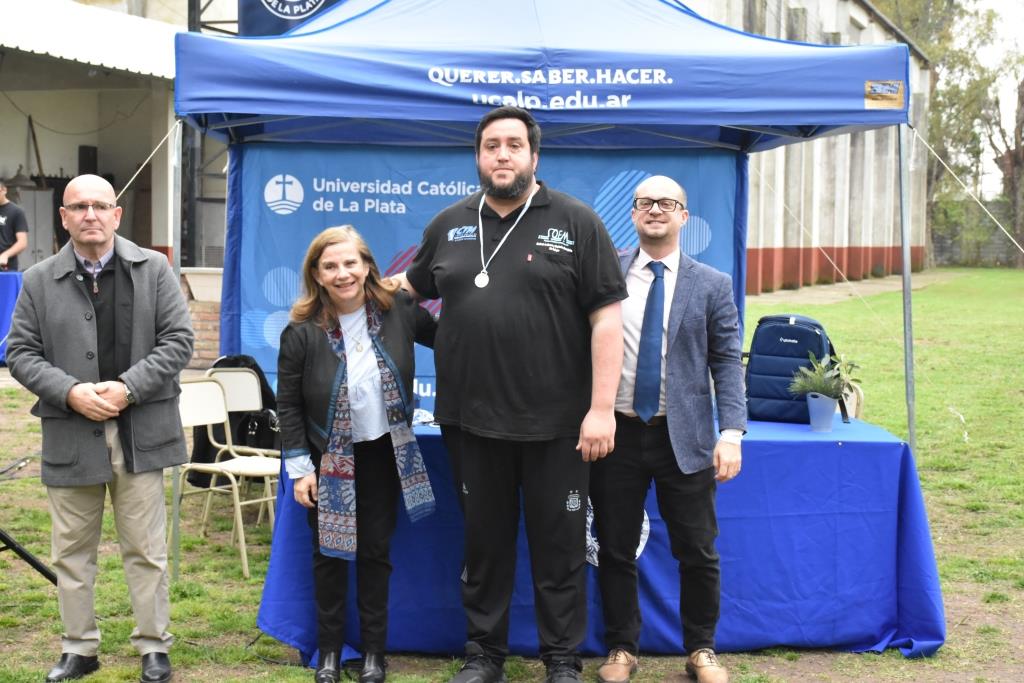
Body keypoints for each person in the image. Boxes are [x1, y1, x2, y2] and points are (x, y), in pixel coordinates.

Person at [399, 106, 627, 683]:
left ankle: (562, 660)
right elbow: (406, 294)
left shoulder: (577, 221)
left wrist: (602, 410)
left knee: (560, 549)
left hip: (559, 425)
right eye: (491, 145)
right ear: (478, 157)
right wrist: (346, 295)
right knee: (484, 546)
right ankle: (484, 656)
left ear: (534, 156)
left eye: (514, 145)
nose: (502, 154)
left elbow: (607, 320)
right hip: (470, 422)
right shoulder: (448, 224)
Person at [6, 174, 194, 683]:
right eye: (79, 206)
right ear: (63, 217)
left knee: (146, 550)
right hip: (71, 431)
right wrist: (69, 392)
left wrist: (128, 389)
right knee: (71, 551)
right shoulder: (38, 279)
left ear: (117, 213)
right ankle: (79, 648)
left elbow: (179, 341)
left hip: (141, 431)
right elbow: (20, 352)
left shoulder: (155, 269)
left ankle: (153, 646)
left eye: (100, 205)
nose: (90, 214)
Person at [590, 176, 746, 683]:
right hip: (617, 433)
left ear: (684, 216)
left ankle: (701, 649)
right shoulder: (606, 276)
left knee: (697, 550)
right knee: (614, 547)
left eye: (666, 203)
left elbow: (726, 361)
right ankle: (621, 648)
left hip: (687, 437)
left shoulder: (712, 284)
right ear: (633, 214)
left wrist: (732, 433)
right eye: (645, 203)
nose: (655, 209)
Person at [277, 226, 438, 683]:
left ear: (367, 266)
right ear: (317, 274)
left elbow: (454, 338)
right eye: (330, 266)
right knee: (329, 556)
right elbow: (288, 405)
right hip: (327, 458)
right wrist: (301, 469)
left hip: (384, 453)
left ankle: (373, 654)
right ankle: (329, 652)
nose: (342, 273)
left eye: (350, 263)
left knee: (375, 552)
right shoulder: (301, 330)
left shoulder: (399, 309)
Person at [0, 179, 29, 271]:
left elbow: (22, 242)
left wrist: (5, 255)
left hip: (6, 266)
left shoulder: (16, 212)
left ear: (4, 190)